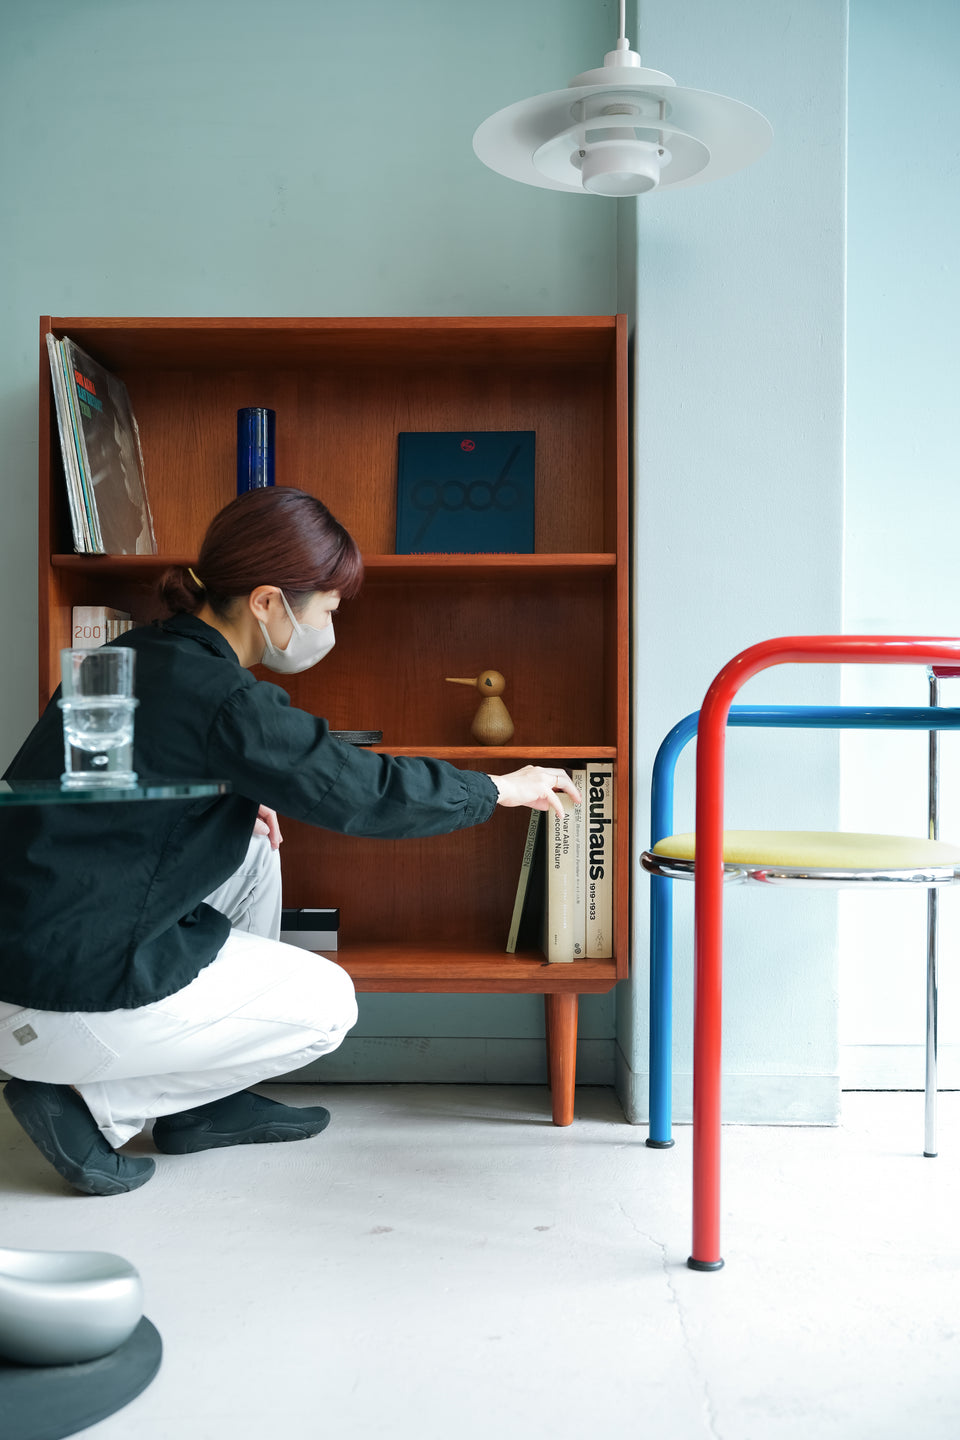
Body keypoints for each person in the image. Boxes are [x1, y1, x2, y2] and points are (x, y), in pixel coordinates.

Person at [0, 486, 579, 1196]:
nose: (332, 624)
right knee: (328, 1006)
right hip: (59, 1000)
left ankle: (203, 1108)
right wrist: (496, 790)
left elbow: (96, 804)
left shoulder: (128, 656)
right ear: (269, 603)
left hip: (28, 952)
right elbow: (361, 793)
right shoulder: (225, 698)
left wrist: (234, 799)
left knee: (251, 847)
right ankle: (88, 1104)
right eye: (329, 608)